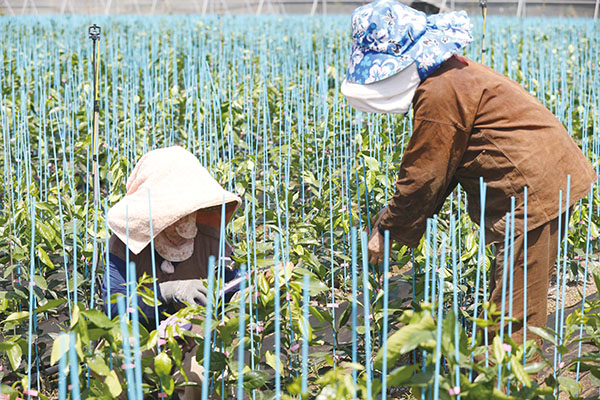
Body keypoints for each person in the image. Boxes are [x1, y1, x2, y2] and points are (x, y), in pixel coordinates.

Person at [341, 0, 596, 351]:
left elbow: (424, 175)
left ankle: (510, 382)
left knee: (512, 315)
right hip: (541, 180)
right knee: (511, 298)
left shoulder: (439, 92)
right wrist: (395, 221)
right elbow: (439, 171)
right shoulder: (450, 73)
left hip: (534, 191)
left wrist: (386, 229)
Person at [101, 145, 241, 398]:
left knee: (203, 372)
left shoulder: (211, 241)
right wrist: (166, 292)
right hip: (144, 339)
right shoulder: (123, 246)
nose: (182, 223)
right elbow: (114, 309)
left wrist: (246, 293)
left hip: (196, 338)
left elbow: (235, 287)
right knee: (116, 361)